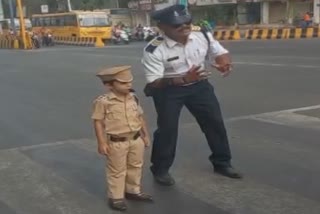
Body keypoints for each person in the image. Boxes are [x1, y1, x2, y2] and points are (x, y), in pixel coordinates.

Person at [141, 4, 242, 186]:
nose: (184, 27)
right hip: (168, 90)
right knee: (167, 129)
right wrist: (182, 79)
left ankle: (222, 162)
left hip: (199, 85)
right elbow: (154, 82)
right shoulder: (154, 49)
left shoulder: (202, 35)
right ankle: (160, 168)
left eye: (187, 22)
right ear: (162, 27)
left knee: (215, 123)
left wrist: (224, 63)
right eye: (177, 25)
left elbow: (220, 53)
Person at [91, 66, 153, 211]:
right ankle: (116, 197)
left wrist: (145, 135)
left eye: (130, 82)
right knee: (117, 170)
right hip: (117, 142)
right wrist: (101, 142)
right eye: (123, 83)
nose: (129, 85)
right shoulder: (104, 102)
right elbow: (98, 122)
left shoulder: (134, 98)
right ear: (109, 85)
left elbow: (140, 117)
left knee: (136, 166)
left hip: (136, 139)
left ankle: (132, 191)